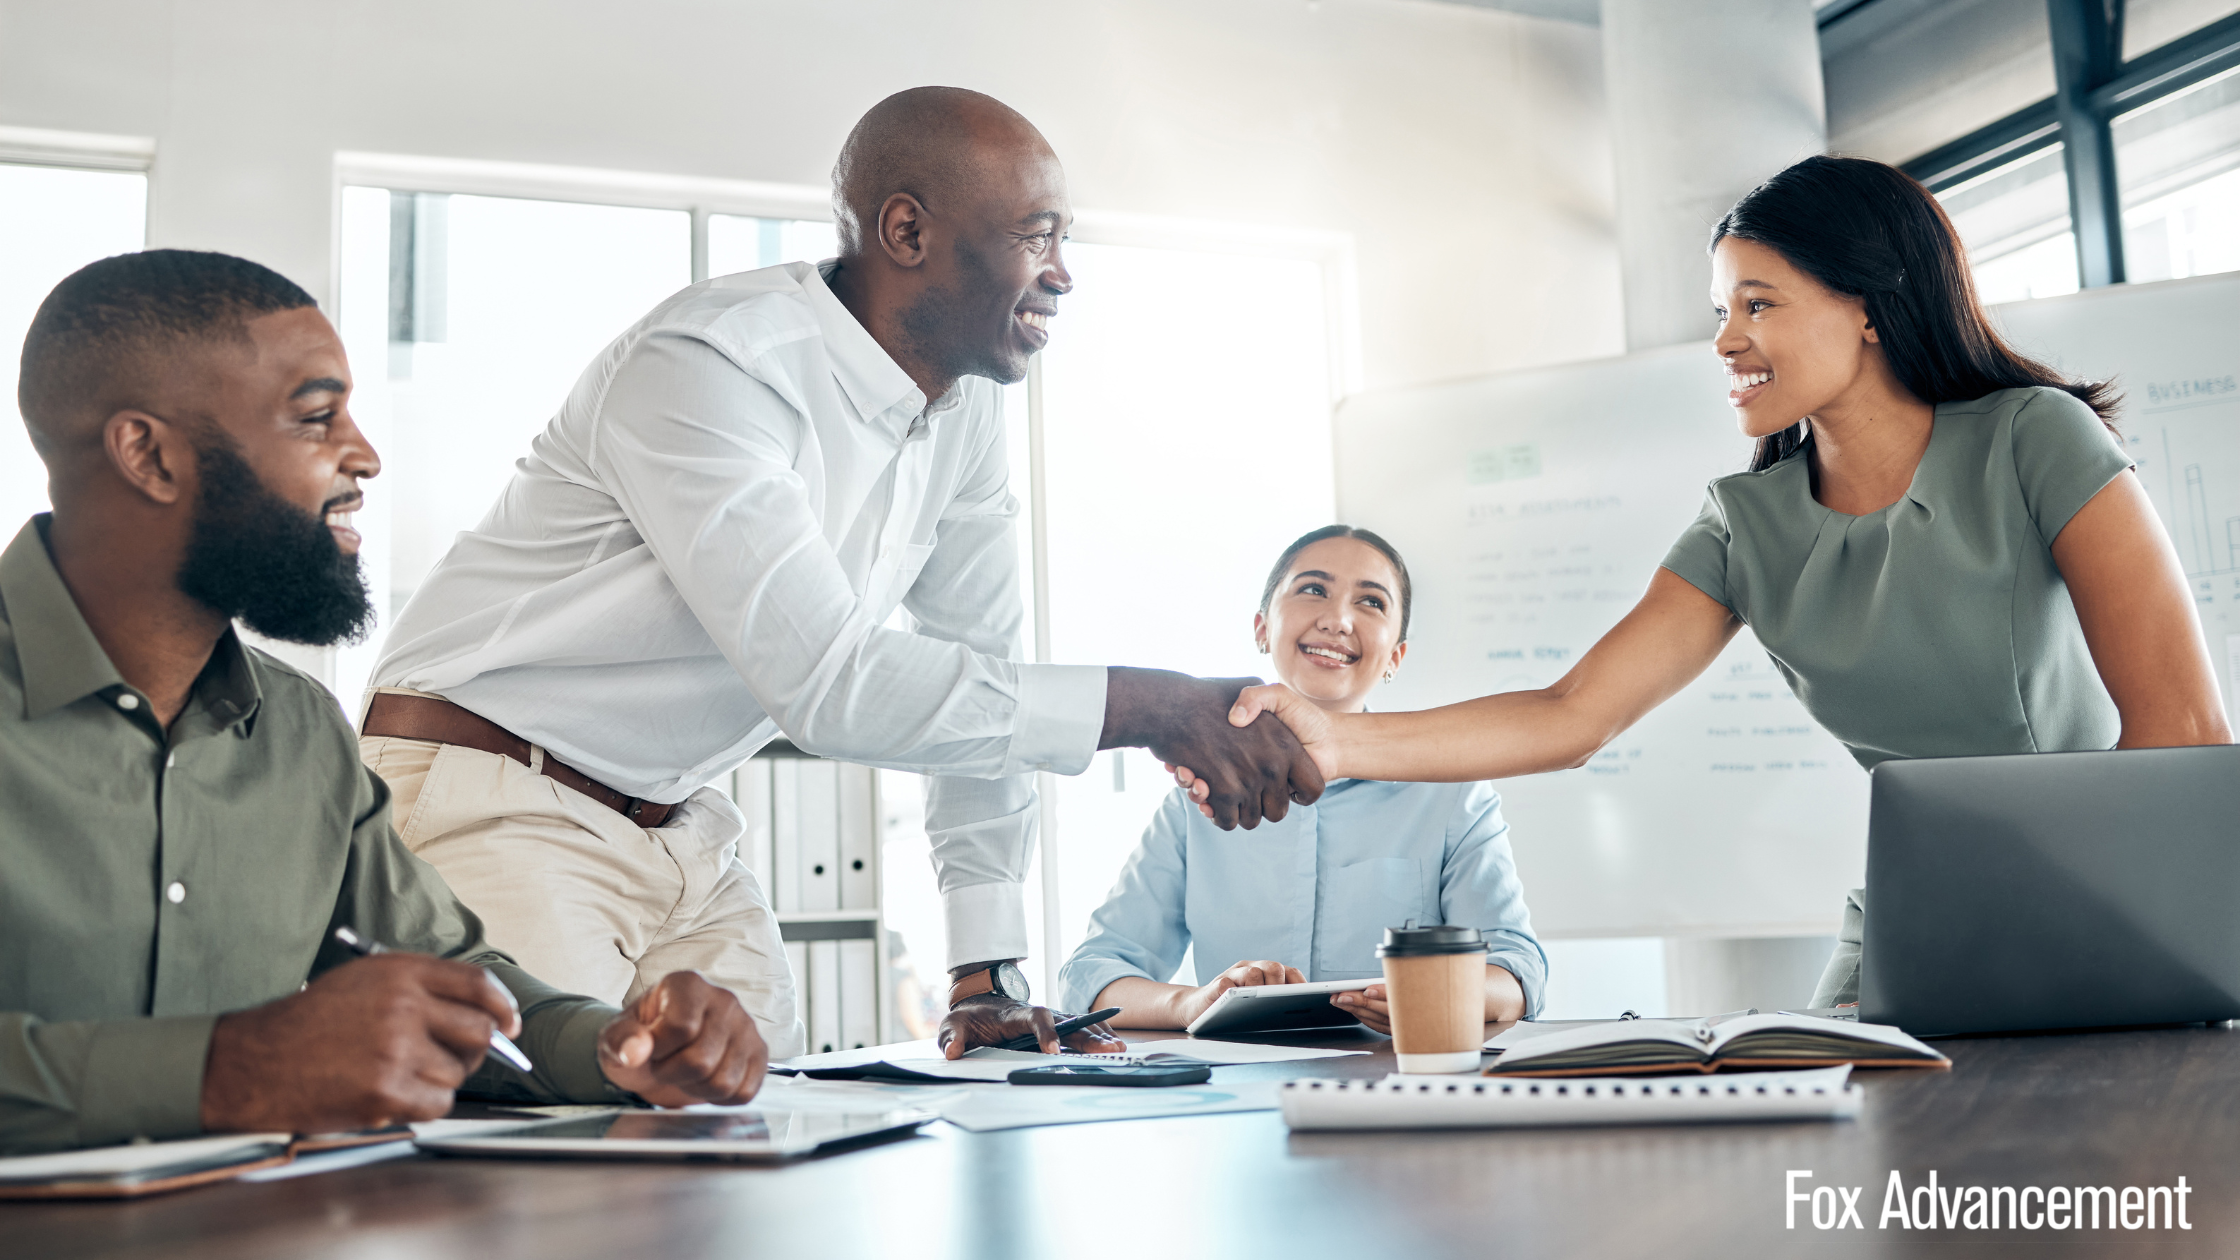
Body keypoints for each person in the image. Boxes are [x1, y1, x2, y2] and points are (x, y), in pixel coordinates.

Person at [362, 86, 1321, 1061]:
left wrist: (983, 972)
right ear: (906, 230)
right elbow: (831, 683)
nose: (1062, 275)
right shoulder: (711, 365)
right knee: (546, 1168)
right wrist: (1153, 706)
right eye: (1037, 237)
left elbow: (973, 663)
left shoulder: (963, 415)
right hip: (497, 796)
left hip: (679, 832)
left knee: (763, 1128)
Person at [1187, 156, 2233, 1008]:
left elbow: (2179, 728)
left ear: (1866, 308)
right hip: (1919, 931)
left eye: (1757, 303)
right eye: (1720, 308)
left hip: (2098, 916)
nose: (1725, 341)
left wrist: (2109, 934)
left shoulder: (2028, 439)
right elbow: (1571, 714)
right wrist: (1333, 737)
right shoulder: (1745, 523)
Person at [0, 250, 766, 1154]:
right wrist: (227, 1070)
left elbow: (455, 973)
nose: (362, 454)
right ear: (150, 455)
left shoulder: (299, 733)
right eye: (317, 418)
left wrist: (615, 1044)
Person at [1059, 526, 1545, 1032]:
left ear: (1395, 657)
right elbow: (1090, 974)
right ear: (1262, 628)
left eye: (1372, 602)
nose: (1337, 620)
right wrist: (1193, 1003)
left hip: (1396, 1088)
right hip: (1236, 1095)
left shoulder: (1453, 794)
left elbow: (1518, 975)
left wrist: (1430, 995)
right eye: (1313, 589)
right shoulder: (1198, 799)